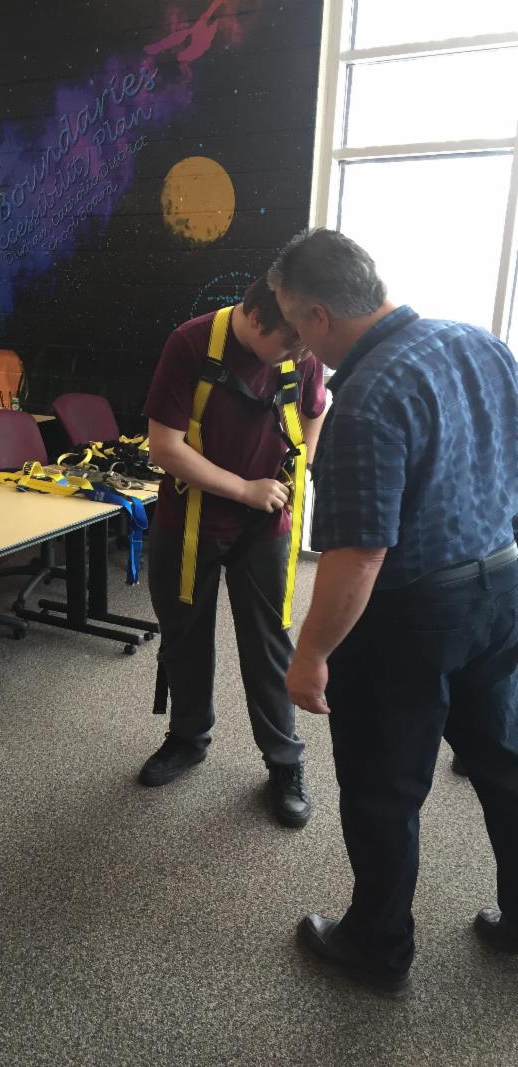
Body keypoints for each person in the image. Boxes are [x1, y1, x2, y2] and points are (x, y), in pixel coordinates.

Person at [270, 227, 518, 997]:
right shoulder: (482, 342)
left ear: (317, 316)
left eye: (291, 322)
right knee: (504, 760)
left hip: (409, 614)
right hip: (503, 587)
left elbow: (358, 557)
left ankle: (377, 945)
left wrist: (310, 653)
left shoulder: (366, 400)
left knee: (384, 787)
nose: (295, 343)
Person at [139, 278, 326, 827]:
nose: (298, 355)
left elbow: (315, 408)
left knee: (270, 644)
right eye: (288, 344)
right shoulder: (192, 344)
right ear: (253, 317)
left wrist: (303, 463)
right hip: (191, 519)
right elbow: (164, 446)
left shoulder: (302, 346)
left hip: (267, 525)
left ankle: (284, 761)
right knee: (185, 635)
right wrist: (244, 488)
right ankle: (188, 738)